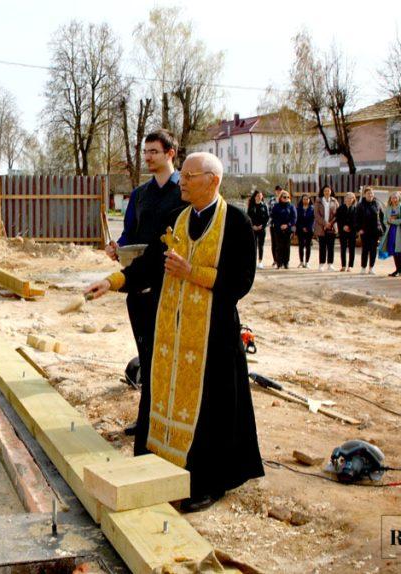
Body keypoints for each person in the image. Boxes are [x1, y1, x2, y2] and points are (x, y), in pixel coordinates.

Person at [85, 151, 263, 513]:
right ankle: (158, 465)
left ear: (212, 180)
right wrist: (112, 281)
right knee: (161, 394)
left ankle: (206, 483)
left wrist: (191, 272)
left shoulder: (237, 224)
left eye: (190, 176)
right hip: (171, 332)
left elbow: (241, 283)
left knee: (210, 408)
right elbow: (151, 265)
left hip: (212, 336)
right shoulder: (176, 219)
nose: (182, 181)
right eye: (182, 175)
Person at [105, 129, 187, 436]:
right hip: (139, 288)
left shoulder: (185, 191)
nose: (148, 157)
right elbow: (130, 235)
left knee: (172, 356)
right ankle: (148, 418)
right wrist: (118, 249)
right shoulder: (139, 195)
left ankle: (174, 420)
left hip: (173, 287)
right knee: (148, 354)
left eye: (153, 151)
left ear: (170, 154)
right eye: (146, 152)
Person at [378, 191, 401, 277]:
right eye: (392, 198)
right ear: (390, 199)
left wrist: (394, 222)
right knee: (394, 251)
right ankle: (397, 269)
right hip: (391, 231)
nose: (394, 199)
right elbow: (384, 219)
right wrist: (388, 222)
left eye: (396, 197)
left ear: (399, 198)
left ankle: (399, 270)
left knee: (400, 251)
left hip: (399, 231)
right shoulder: (388, 208)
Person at [357, 188, 385, 274]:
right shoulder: (360, 205)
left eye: (371, 193)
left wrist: (382, 229)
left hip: (375, 231)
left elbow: (381, 217)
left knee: (373, 250)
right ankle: (363, 267)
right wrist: (359, 229)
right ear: (365, 195)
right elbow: (357, 218)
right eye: (368, 193)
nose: (370, 195)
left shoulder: (377, 204)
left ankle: (371, 267)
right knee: (365, 249)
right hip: (364, 231)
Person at [313, 185, 339, 271]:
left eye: (328, 190)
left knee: (331, 247)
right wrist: (324, 223)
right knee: (322, 246)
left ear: (331, 191)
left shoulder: (334, 201)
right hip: (321, 227)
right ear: (322, 192)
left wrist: (330, 223)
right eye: (325, 191)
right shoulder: (318, 201)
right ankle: (321, 264)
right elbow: (316, 215)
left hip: (331, 227)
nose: (327, 192)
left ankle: (330, 264)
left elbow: (337, 214)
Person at [270, 189, 297, 269]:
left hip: (288, 229)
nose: (286, 198)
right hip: (278, 229)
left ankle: (286, 263)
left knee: (287, 246)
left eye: (287, 197)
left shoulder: (291, 206)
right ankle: (279, 263)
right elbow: (273, 217)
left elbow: (294, 218)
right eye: (284, 197)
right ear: (280, 197)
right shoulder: (276, 206)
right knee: (279, 246)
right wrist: (279, 225)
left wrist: (287, 225)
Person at [247, 190, 270, 269]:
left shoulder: (264, 206)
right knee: (253, 246)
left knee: (261, 245)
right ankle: (253, 262)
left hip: (261, 229)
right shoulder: (251, 205)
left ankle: (260, 262)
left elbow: (267, 218)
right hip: (253, 228)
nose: (259, 197)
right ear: (255, 197)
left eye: (261, 196)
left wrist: (262, 226)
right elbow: (248, 217)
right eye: (258, 196)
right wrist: (252, 226)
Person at [336, 192, 358, 272]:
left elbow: (356, 221)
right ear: (345, 199)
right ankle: (343, 265)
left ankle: (350, 266)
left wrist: (350, 227)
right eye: (347, 198)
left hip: (352, 231)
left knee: (352, 249)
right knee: (343, 248)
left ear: (353, 199)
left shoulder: (356, 209)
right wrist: (343, 226)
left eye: (351, 198)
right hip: (343, 231)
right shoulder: (340, 208)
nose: (349, 199)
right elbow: (338, 219)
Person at [296, 194, 315, 268]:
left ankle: (307, 262)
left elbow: (313, 220)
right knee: (301, 246)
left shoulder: (312, 208)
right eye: (304, 199)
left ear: (309, 200)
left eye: (307, 199)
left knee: (308, 246)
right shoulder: (298, 208)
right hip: (300, 229)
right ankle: (301, 261)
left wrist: (308, 227)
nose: (305, 200)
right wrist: (302, 227)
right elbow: (297, 219)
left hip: (309, 230)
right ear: (302, 200)